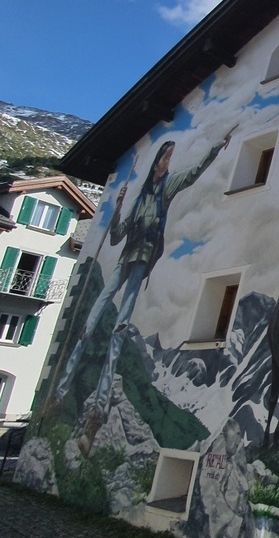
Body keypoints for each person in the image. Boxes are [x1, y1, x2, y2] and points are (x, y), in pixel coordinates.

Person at [52, 129, 233, 455]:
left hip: (141, 266)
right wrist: (118, 208)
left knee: (118, 331)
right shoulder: (140, 198)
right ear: (157, 161)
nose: (166, 162)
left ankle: (98, 414)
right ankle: (59, 392)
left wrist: (216, 148)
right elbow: (117, 236)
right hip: (125, 259)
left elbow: (193, 175)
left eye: (169, 158)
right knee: (89, 323)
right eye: (164, 156)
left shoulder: (167, 189)